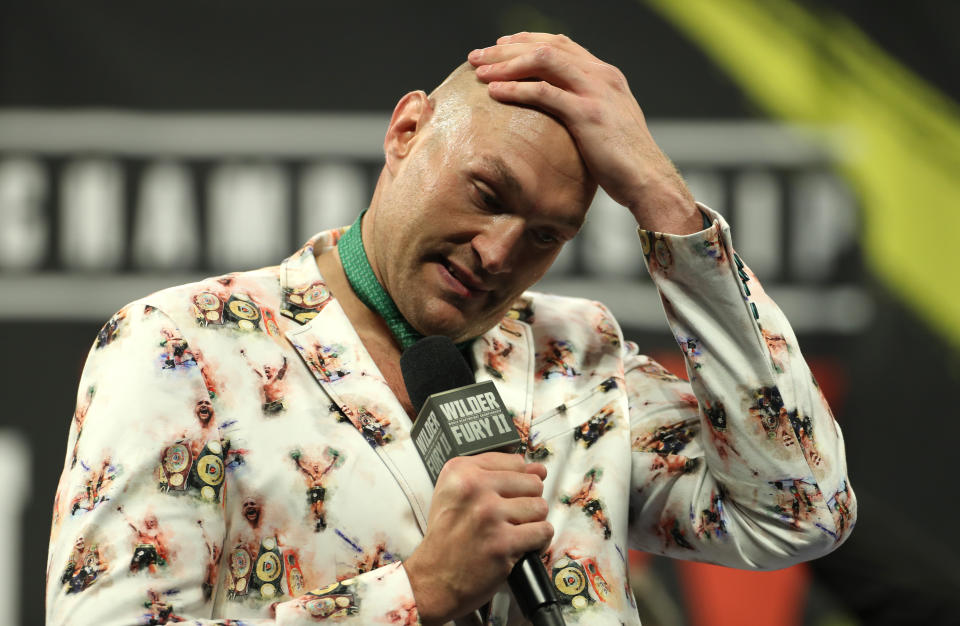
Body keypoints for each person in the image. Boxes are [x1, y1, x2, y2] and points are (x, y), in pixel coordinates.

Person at [46, 33, 855, 625]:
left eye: (546, 235)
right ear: (406, 132)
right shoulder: (184, 347)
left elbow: (800, 509)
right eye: (489, 193)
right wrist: (420, 591)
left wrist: (664, 205)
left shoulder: (577, 357)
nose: (501, 252)